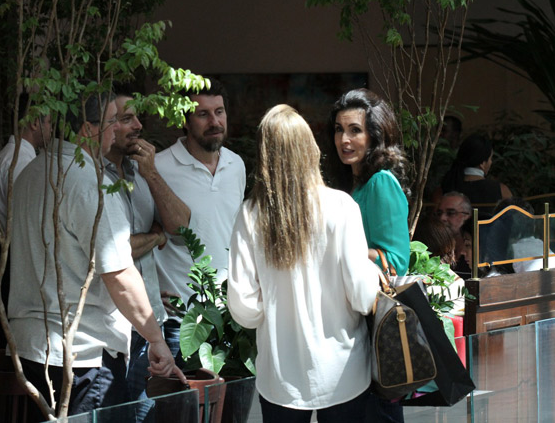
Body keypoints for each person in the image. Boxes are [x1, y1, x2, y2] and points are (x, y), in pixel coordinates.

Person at [8, 93, 184, 421]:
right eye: (111, 122)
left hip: (30, 348)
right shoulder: (92, 184)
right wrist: (156, 339)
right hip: (83, 351)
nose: (116, 130)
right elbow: (118, 273)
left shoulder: (31, 173)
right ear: (88, 128)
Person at [228, 105, 380, 423]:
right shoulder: (342, 207)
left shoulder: (250, 214)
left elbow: (244, 308)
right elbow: (364, 298)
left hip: (280, 375)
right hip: (344, 372)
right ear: (309, 148)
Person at [104, 91, 190, 421]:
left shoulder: (141, 172)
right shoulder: (90, 177)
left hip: (147, 322)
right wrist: (155, 236)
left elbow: (181, 230)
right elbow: (112, 251)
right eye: (127, 119)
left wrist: (152, 173)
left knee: (142, 414)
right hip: (111, 327)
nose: (138, 125)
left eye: (137, 118)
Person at [326, 88, 410, 423]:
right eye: (338, 129)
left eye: (355, 130)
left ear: (375, 136)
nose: (344, 139)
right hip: (354, 324)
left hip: (379, 329)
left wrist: (345, 252)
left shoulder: (380, 183)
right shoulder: (353, 185)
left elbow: (395, 261)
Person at [153, 78, 246, 354]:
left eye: (219, 112)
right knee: (180, 399)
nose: (214, 121)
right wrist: (148, 291)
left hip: (228, 318)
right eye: (203, 114)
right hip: (178, 320)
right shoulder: (158, 167)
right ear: (185, 120)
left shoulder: (236, 165)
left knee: (230, 399)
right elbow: (139, 236)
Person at [0, 94, 52, 239]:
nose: (51, 129)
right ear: (34, 123)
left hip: (1, 248)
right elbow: (28, 218)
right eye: (49, 122)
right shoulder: (23, 163)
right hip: (14, 250)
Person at [440, 133, 512, 218]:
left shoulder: (445, 188)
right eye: (490, 158)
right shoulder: (501, 191)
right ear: (482, 163)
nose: (491, 162)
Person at [435, 192, 473, 278]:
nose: (442, 218)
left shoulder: (478, 252)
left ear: (467, 216)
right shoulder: (436, 248)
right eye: (439, 213)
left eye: (450, 213)